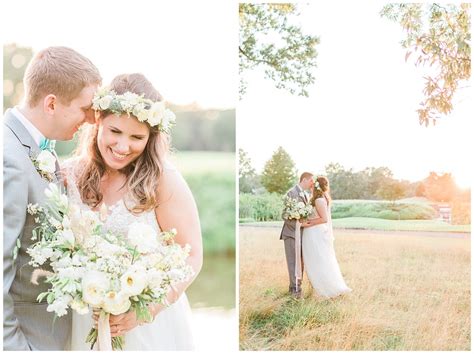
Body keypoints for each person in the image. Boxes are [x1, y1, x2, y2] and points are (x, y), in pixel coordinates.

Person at [64, 73, 203, 350]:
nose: (123, 147)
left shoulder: (164, 181)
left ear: (151, 137)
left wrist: (145, 310)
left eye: (137, 137)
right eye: (114, 131)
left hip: (147, 327)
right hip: (83, 321)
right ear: (98, 123)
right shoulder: (69, 175)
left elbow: (191, 257)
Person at [3, 46, 101, 350]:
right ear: (51, 104)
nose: (91, 120)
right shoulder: (8, 159)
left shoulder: (37, 149)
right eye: (85, 109)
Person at [302, 176, 352, 298]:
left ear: (316, 186)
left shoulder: (319, 200)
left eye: (313, 184)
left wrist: (307, 223)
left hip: (315, 233)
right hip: (313, 232)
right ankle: (318, 288)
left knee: (319, 261)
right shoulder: (317, 198)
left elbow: (323, 219)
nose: (311, 185)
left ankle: (328, 289)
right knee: (317, 260)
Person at [280, 172, 314, 298]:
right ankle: (296, 292)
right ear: (304, 179)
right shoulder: (292, 193)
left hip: (300, 234)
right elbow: (285, 215)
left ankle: (295, 288)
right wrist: (300, 224)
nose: (312, 183)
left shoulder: (305, 194)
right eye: (311, 180)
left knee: (300, 263)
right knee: (293, 263)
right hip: (291, 233)